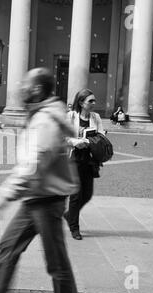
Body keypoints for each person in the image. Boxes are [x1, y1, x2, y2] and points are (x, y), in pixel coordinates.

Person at [0, 68, 80, 293]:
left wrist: (3, 196)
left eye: (25, 84)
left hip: (46, 201)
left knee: (57, 265)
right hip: (37, 198)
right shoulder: (42, 114)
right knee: (8, 247)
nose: (21, 88)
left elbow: (33, 165)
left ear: (37, 89)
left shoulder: (45, 120)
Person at [64, 89, 105, 241]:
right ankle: (74, 227)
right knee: (76, 194)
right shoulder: (71, 116)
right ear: (81, 103)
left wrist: (91, 140)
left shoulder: (96, 117)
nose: (94, 103)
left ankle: (69, 215)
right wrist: (76, 142)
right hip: (74, 157)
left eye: (94, 100)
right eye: (90, 101)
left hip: (90, 158)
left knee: (87, 194)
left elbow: (101, 135)